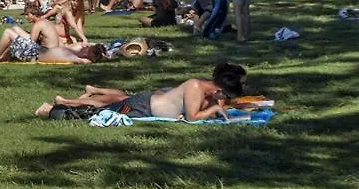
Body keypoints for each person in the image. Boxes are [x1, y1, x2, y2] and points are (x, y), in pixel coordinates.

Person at [35, 62, 247, 121]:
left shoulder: (206, 89)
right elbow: (193, 118)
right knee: (100, 109)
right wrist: (212, 111)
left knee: (105, 105)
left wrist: (217, 107)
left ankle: (61, 103)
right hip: (143, 106)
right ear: (219, 89)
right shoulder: (195, 86)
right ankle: (53, 108)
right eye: (225, 96)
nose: (223, 100)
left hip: (147, 106)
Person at [0, 20, 105, 64]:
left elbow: (87, 60)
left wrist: (94, 56)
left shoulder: (75, 57)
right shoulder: (76, 51)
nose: (85, 46)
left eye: (87, 48)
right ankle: (2, 57)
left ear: (88, 53)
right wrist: (101, 52)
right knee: (15, 29)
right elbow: (93, 48)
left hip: (33, 54)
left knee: (8, 32)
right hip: (37, 50)